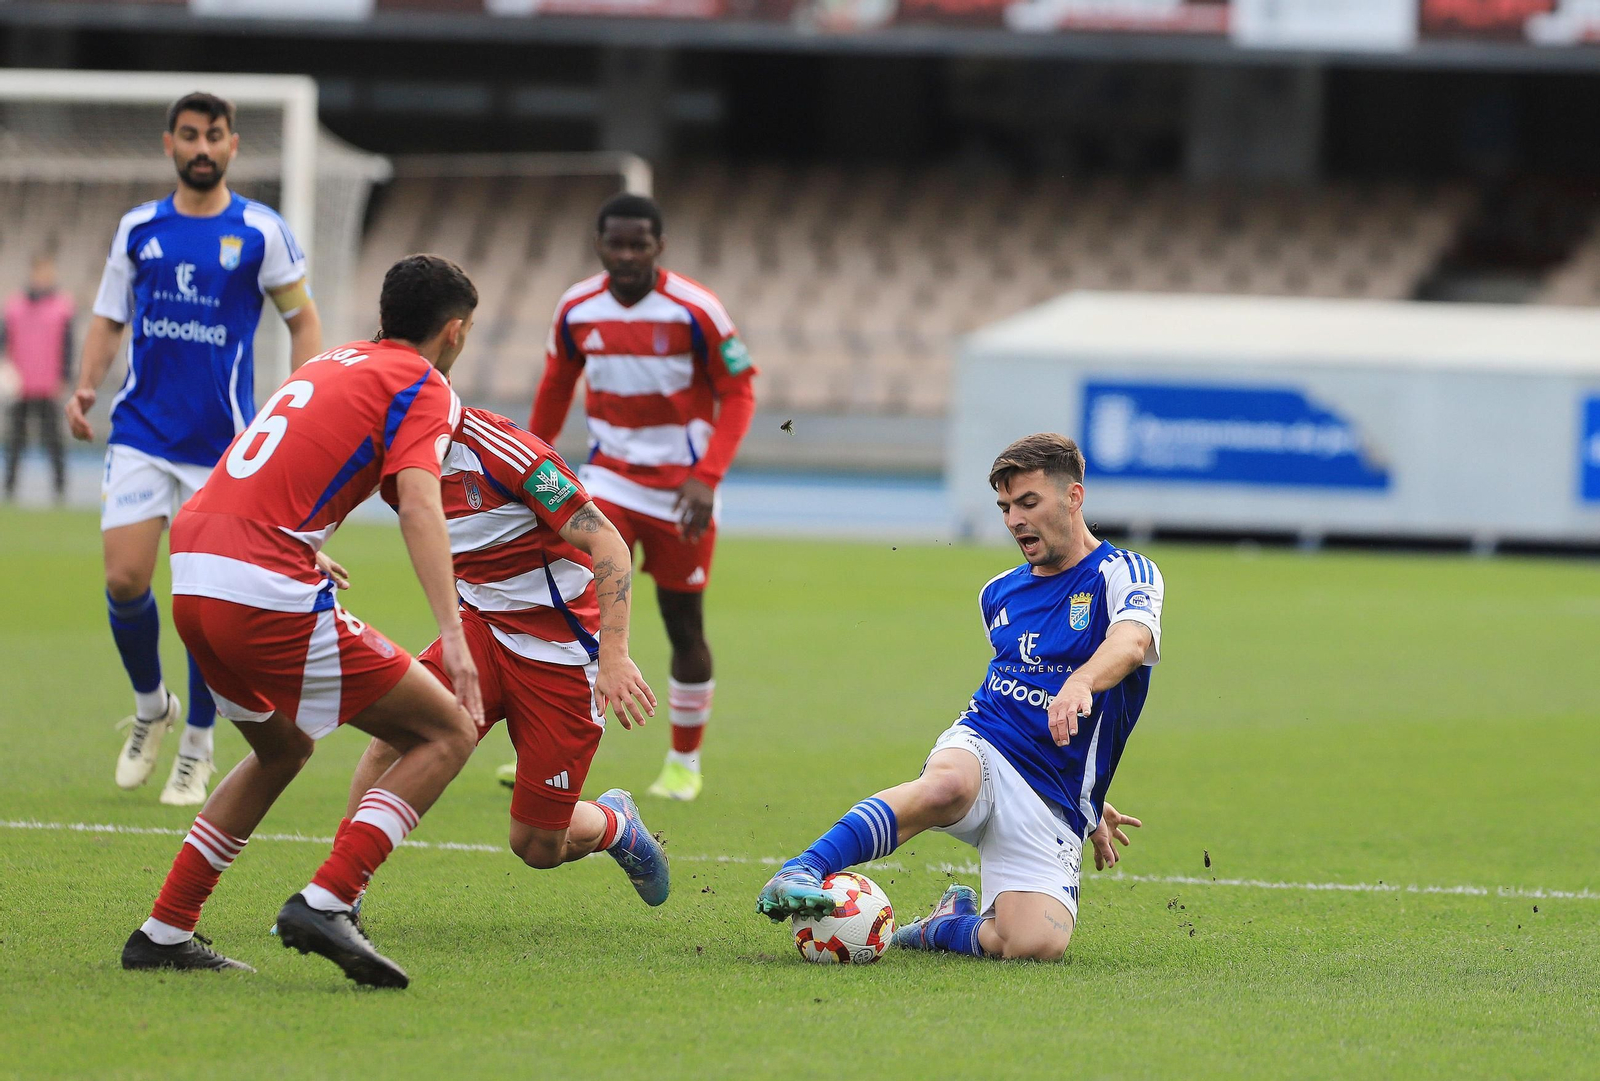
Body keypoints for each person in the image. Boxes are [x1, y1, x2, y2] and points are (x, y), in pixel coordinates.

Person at [119, 254, 481, 989]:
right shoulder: (425, 384)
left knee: (281, 748)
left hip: (194, 564)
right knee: (447, 729)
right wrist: (452, 632)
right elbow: (419, 500)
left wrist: (300, 547)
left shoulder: (332, 362)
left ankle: (164, 929)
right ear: (454, 331)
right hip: (259, 585)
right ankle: (329, 899)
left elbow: (268, 466)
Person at [756, 433, 1160, 961]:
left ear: (1074, 497)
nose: (1015, 519)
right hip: (987, 741)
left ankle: (942, 926)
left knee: (1033, 946)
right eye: (1005, 507)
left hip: (1055, 798)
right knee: (946, 785)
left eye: (1028, 503)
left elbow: (1130, 642)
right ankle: (804, 868)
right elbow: (1027, 689)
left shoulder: (1124, 573)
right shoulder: (998, 593)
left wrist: (1084, 722)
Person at [66, 91, 323, 806]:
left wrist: (296, 405)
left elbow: (304, 322)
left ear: (233, 145)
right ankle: (153, 707)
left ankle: (200, 746)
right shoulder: (139, 230)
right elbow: (108, 317)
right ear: (169, 144)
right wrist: (86, 385)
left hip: (225, 446)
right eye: (189, 135)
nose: (202, 147)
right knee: (124, 580)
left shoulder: (262, 231)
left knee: (207, 607)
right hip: (143, 432)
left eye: (214, 136)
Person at [341, 407, 668, 913]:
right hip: (481, 629)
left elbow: (607, 541)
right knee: (394, 735)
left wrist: (615, 654)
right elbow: (323, 496)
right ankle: (339, 895)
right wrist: (307, 544)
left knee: (537, 847)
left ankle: (615, 824)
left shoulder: (507, 452)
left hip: (561, 651)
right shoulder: (389, 451)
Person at [528, 192, 757, 803]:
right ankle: (548, 745)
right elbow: (556, 385)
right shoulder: (577, 307)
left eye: (639, 244)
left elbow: (740, 391)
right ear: (599, 244)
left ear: (660, 246)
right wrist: (528, 463)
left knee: (683, 625)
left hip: (682, 488)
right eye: (616, 243)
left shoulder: (695, 308)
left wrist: (707, 476)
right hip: (606, 480)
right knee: (572, 601)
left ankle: (684, 762)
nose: (626, 255)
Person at [2, 251, 75, 502]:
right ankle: (10, 487)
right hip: (20, 385)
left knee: (53, 441)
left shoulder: (62, 307)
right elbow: (4, 343)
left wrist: (63, 377)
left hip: (48, 384)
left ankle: (60, 487)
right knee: (15, 441)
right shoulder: (14, 306)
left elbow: (68, 345)